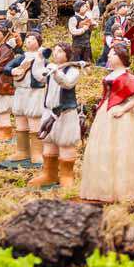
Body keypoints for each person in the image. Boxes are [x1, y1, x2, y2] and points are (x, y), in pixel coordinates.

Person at [76, 46, 134, 204]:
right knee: (104, 147)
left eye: (113, 54)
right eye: (110, 54)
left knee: (123, 148)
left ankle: (126, 189)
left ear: (121, 57)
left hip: (121, 114)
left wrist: (124, 109)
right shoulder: (110, 75)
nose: (110, 56)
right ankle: (103, 187)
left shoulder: (128, 77)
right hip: (106, 112)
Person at [31, 44, 84, 190]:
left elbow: (67, 83)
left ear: (68, 54)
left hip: (65, 112)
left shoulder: (72, 70)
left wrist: (56, 73)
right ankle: (49, 173)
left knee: (66, 143)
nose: (56, 53)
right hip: (49, 111)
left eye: (60, 51)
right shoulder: (51, 67)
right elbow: (38, 76)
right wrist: (40, 59)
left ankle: (67, 175)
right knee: (49, 143)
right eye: (55, 51)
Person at [3, 32, 47, 171]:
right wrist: (13, 71)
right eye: (27, 38)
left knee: (34, 120)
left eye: (32, 38)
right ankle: (22, 151)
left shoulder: (42, 57)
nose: (28, 41)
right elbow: (7, 68)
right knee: (20, 121)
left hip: (34, 92)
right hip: (20, 91)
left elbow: (47, 72)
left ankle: (37, 153)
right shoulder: (22, 57)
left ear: (39, 41)